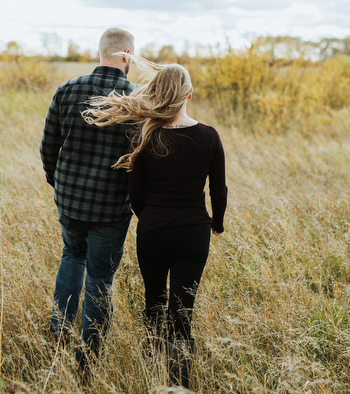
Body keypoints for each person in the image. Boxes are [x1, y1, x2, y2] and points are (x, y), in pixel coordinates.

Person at [83, 59, 227, 389]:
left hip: (152, 231)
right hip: (193, 233)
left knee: (154, 302)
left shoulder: (144, 136)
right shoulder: (208, 136)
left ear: (157, 93)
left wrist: (150, 218)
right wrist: (215, 223)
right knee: (182, 311)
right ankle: (179, 383)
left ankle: (152, 372)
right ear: (189, 95)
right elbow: (218, 190)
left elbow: (136, 196)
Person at [39, 27, 136, 381]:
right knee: (99, 276)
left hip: (70, 201)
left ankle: (59, 331)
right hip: (112, 208)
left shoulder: (68, 89)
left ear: (101, 53)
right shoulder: (136, 99)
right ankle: (89, 357)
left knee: (72, 255)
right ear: (126, 55)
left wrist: (59, 184)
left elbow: (48, 147)